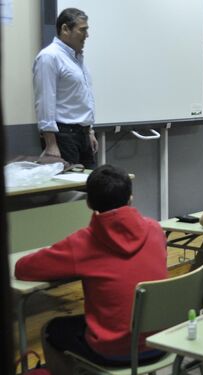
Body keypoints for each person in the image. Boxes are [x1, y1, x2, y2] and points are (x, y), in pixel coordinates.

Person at [14, 165, 167, 374]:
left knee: (51, 330)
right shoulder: (155, 229)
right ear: (130, 198)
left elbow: (23, 269)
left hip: (112, 350)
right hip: (162, 341)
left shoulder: (83, 243)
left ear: (88, 202)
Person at [33, 8, 97, 168]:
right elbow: (45, 100)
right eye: (83, 30)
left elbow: (81, 99)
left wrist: (89, 131)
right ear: (65, 29)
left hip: (82, 136)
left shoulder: (76, 59)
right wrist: (51, 143)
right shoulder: (49, 57)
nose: (87, 36)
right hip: (63, 137)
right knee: (71, 191)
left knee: (91, 187)